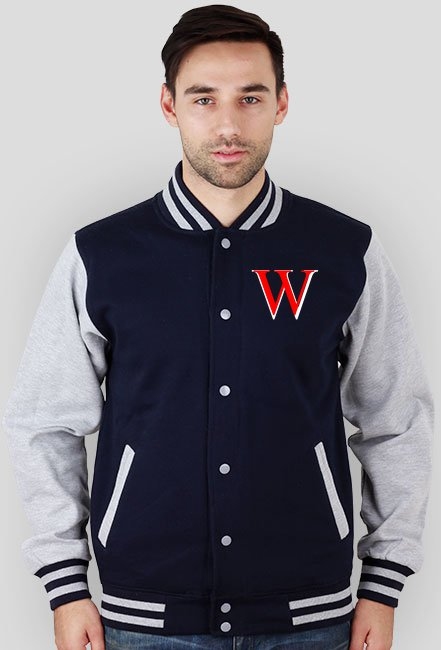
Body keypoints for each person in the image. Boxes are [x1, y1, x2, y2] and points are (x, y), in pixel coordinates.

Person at [2, 4, 434, 650]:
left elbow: (396, 419)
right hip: (144, 617)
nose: (228, 125)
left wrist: (383, 582)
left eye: (250, 98)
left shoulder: (344, 251)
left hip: (309, 616)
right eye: (203, 99)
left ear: (281, 103)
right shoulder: (102, 256)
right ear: (169, 105)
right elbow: (44, 424)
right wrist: (65, 585)